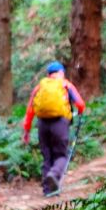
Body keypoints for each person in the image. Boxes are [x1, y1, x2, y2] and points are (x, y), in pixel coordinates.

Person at [22, 61, 86, 196]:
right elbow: (80, 104)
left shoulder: (39, 87)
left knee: (47, 157)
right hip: (60, 123)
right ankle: (54, 174)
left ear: (48, 74)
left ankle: (48, 190)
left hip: (42, 124)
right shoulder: (65, 85)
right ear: (61, 73)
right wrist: (79, 112)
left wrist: (26, 130)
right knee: (61, 155)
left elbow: (30, 110)